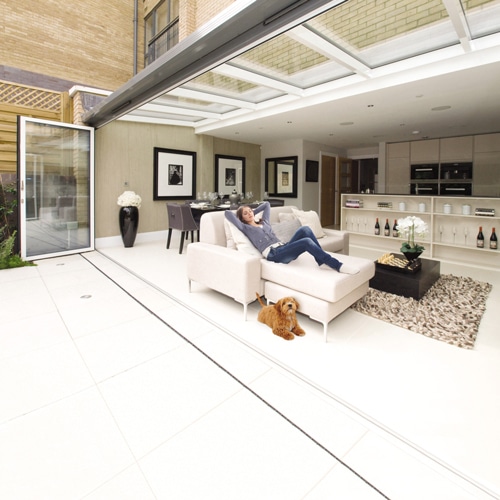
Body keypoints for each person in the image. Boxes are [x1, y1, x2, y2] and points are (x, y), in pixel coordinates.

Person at [225, 201, 359, 274]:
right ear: (241, 218)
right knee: (306, 242)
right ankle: (337, 265)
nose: (249, 214)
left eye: (249, 211)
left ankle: (321, 261)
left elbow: (266, 204)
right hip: (274, 254)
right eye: (245, 213)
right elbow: (227, 214)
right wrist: (243, 212)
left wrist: (254, 211)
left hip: (283, 247)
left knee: (305, 230)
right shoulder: (246, 228)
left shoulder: (263, 222)